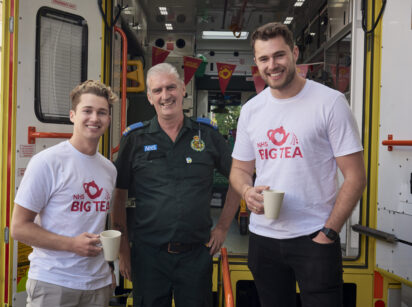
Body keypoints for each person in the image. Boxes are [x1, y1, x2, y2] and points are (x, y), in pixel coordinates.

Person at [229, 22, 367, 307]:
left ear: (294, 53)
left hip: (314, 237)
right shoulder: (252, 111)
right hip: (263, 239)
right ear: (256, 63)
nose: (272, 65)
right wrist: (246, 192)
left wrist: (329, 232)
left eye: (279, 55)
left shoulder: (330, 102)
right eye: (264, 59)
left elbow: (355, 176)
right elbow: (239, 170)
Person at [111, 63, 241, 307]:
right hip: (148, 256)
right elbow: (119, 195)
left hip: (195, 255)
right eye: (157, 90)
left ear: (183, 89)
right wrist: (123, 250)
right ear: (149, 98)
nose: (165, 95)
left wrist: (223, 227)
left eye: (170, 87)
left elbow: (238, 178)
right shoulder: (135, 139)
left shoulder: (208, 135)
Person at [11, 80, 118, 307]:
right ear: (72, 115)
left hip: (98, 284)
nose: (94, 118)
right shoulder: (47, 162)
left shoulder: (109, 169)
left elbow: (97, 224)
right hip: (54, 283)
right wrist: (71, 244)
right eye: (87, 111)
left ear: (109, 119)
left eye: (102, 112)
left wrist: (108, 268)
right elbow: (19, 227)